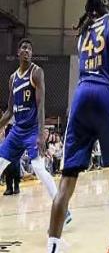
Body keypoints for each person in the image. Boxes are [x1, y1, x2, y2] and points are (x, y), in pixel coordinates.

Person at [46, 0, 109, 253]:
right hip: (106, 98)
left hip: (81, 98)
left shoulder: (84, 32)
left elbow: (96, 68)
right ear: (105, 1)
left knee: (66, 183)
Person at [0, 40, 72, 221]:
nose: (27, 51)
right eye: (24, 48)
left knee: (39, 168)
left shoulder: (36, 72)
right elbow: (9, 111)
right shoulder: (13, 78)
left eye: (30, 49)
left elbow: (41, 106)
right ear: (18, 52)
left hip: (32, 130)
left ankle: (63, 210)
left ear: (32, 54)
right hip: (17, 130)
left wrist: (41, 134)